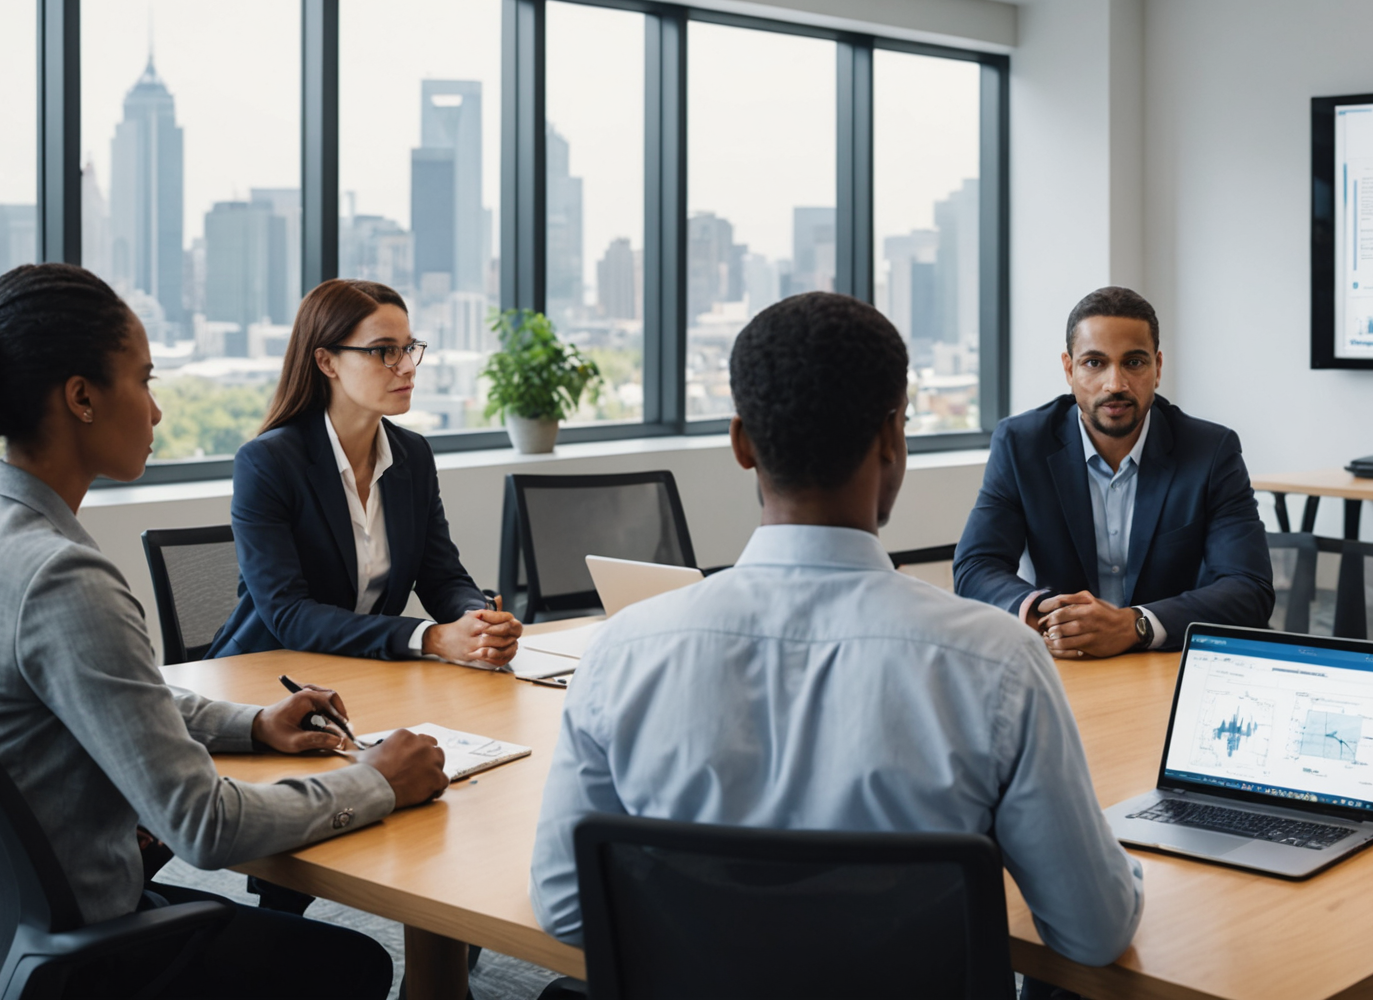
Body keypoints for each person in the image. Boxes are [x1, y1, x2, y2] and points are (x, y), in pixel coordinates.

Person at [529, 291, 1145, 972]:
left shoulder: (623, 651)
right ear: (892, 439)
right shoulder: (997, 662)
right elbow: (1094, 932)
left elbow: (565, 904)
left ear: (741, 443)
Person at [0, 264, 451, 1000]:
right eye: (144, 381)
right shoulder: (62, 579)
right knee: (356, 965)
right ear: (82, 397)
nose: (156, 413)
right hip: (82, 959)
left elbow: (114, 694)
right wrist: (372, 782)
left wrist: (253, 724)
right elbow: (204, 827)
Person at [209, 278, 520, 666]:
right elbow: (289, 614)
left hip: (363, 671)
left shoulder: (413, 455)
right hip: (266, 679)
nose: (407, 367)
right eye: (384, 351)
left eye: (408, 348)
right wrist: (430, 637)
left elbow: (442, 578)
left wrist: (476, 620)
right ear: (327, 362)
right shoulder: (268, 463)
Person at [955, 286, 1272, 657]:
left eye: (1134, 363)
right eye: (1094, 363)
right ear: (1069, 369)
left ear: (1157, 368)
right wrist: (1052, 618)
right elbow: (976, 566)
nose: (1115, 384)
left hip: (1164, 663)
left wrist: (1135, 625)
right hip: (1065, 664)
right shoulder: (1021, 444)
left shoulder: (1210, 451)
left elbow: (1249, 587)